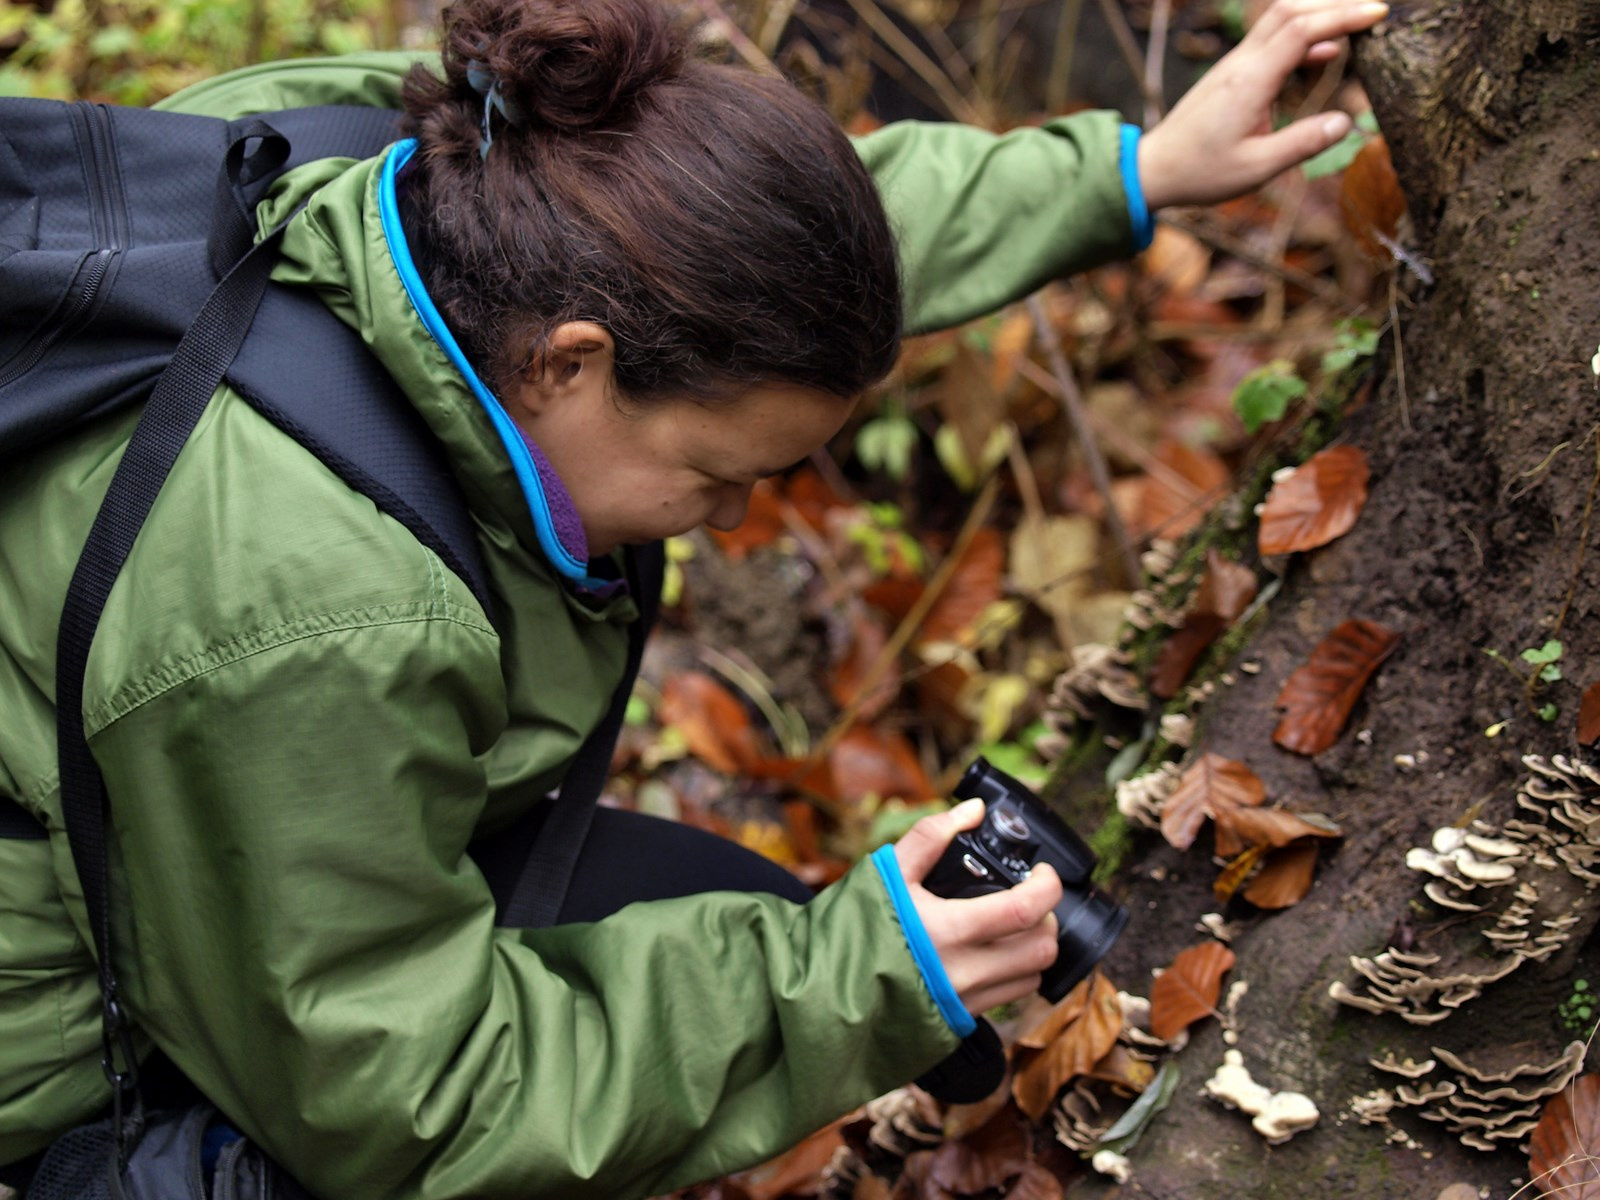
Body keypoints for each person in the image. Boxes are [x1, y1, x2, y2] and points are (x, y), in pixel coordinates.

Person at [0, 0, 1387, 1195]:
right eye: (722, 473)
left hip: (174, 827)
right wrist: (866, 979)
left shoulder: (437, 173)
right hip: (62, 1052)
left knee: (733, 922)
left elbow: (782, 246)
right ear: (574, 363)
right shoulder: (315, 617)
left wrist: (1137, 169)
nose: (739, 516)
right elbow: (402, 1106)